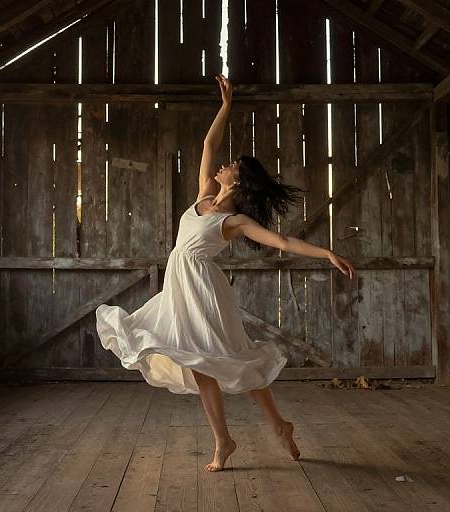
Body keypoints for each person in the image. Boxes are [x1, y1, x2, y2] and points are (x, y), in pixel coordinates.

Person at [96, 74, 355, 472]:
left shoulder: (234, 221)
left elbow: (283, 243)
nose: (223, 165)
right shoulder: (202, 195)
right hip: (180, 288)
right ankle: (257, 432)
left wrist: (326, 252)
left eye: (231, 166)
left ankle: (248, 435)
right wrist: (226, 107)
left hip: (204, 290)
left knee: (224, 360)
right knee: (213, 363)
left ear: (238, 181)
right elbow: (208, 143)